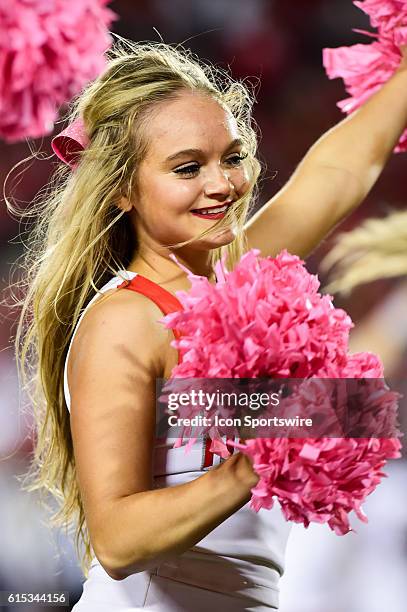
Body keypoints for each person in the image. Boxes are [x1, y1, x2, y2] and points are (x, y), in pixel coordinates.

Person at [10, 38, 407, 611]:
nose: (222, 184)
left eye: (233, 157)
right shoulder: (127, 318)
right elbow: (118, 541)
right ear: (122, 189)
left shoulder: (236, 279)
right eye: (188, 167)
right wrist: (272, 447)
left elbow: (340, 171)